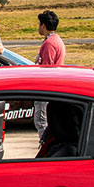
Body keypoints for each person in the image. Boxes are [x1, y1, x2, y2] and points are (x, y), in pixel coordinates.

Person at [33, 10, 65, 139]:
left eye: (40, 24)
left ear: (44, 26)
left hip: (45, 88)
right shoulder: (56, 40)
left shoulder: (49, 43)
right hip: (53, 86)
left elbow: (47, 68)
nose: (39, 27)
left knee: (41, 121)